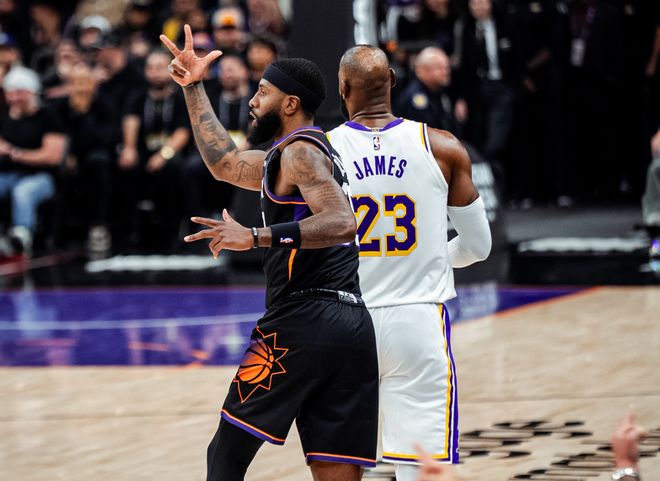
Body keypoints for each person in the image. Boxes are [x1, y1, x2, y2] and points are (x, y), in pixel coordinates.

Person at [160, 25, 378, 481]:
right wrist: (193, 86)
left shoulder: (301, 154)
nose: (253, 101)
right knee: (334, 470)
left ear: (291, 103)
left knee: (226, 455)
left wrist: (256, 236)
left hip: (302, 319)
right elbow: (223, 163)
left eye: (263, 91)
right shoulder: (292, 156)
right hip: (353, 325)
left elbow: (342, 223)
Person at [327, 45, 492, 481]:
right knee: (418, 463)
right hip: (417, 320)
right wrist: (430, 258)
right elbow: (479, 247)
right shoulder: (443, 146)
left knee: (359, 462)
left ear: (342, 88)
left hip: (346, 321)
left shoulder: (319, 153)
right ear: (393, 82)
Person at [0, 66, 67, 255]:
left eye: (19, 92)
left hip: (42, 177)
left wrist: (13, 153)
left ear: (31, 92)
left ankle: (21, 237)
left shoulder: (48, 117)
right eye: (10, 92)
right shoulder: (4, 120)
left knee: (23, 191)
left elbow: (52, 156)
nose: (14, 98)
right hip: (8, 174)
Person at [395, 47, 460, 134]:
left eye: (447, 67)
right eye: (439, 68)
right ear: (423, 71)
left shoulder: (440, 91)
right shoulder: (414, 99)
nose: (445, 72)